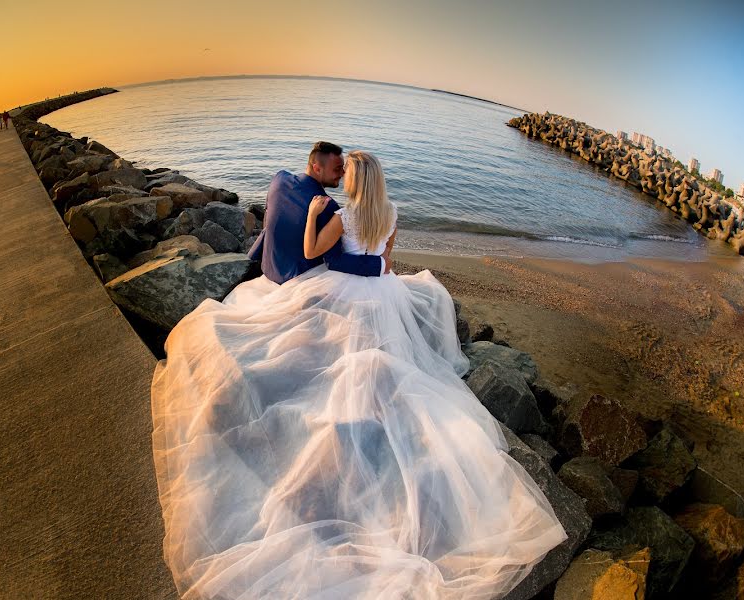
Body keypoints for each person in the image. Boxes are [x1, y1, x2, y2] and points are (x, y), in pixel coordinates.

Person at [151, 149, 567, 599]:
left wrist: (312, 217)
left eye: (345, 172)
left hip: (348, 291)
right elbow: (387, 259)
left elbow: (315, 252)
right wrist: (373, 265)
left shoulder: (345, 215)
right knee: (375, 354)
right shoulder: (390, 211)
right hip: (384, 294)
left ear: (354, 181)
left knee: (310, 339)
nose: (341, 177)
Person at [247, 141, 389, 284]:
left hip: (268, 266)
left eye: (343, 168)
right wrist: (379, 264)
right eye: (337, 169)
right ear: (317, 168)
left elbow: (268, 219)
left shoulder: (280, 179)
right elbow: (334, 259)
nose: (342, 174)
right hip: (298, 277)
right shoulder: (328, 206)